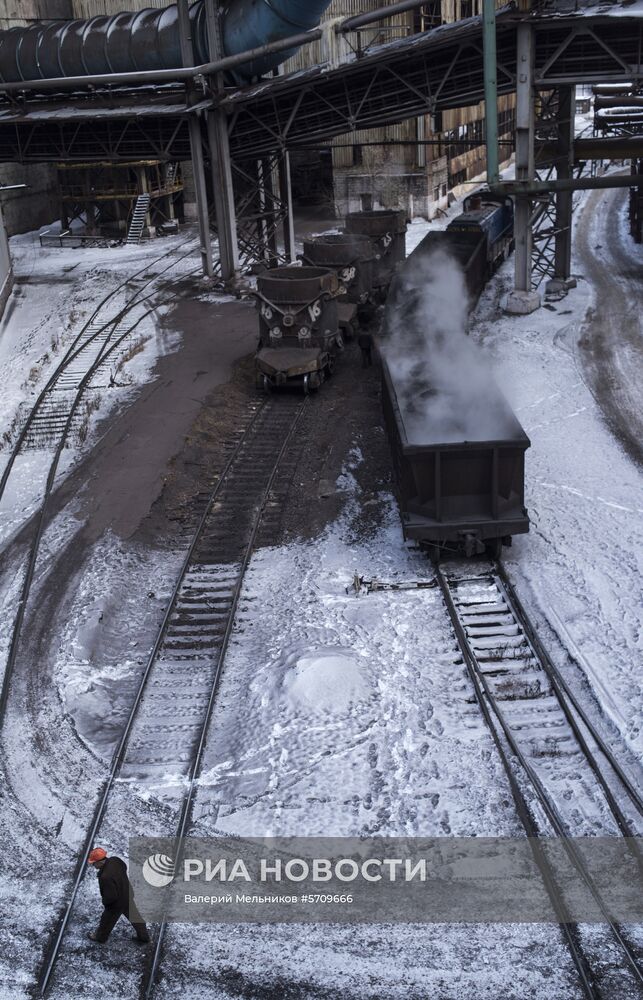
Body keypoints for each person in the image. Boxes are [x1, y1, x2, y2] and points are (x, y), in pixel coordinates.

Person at [87, 847, 150, 944]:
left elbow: (111, 896)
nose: (93, 865)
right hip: (127, 893)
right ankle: (144, 936)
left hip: (116, 903)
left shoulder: (105, 876)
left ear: (99, 862)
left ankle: (100, 937)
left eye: (93, 863)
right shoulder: (115, 860)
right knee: (135, 917)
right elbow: (124, 867)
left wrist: (106, 903)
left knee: (106, 921)